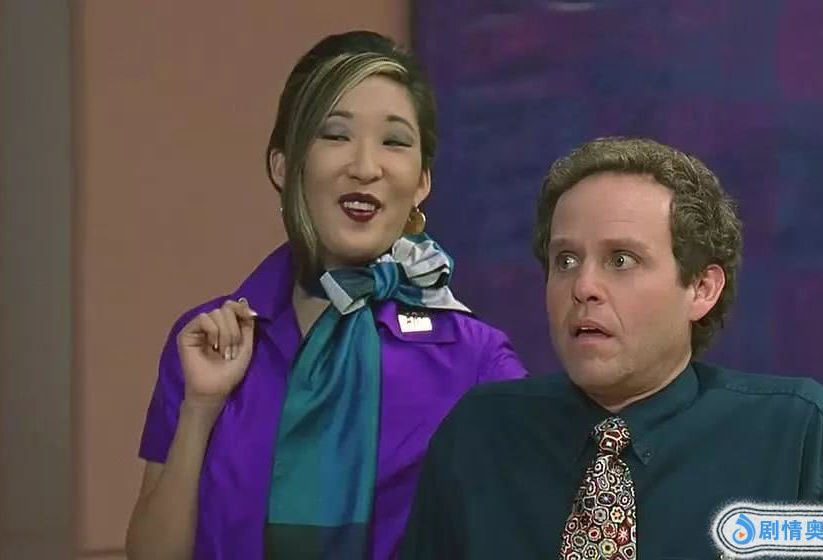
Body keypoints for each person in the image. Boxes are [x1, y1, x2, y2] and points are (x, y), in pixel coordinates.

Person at [124, 30, 528, 560]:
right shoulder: (208, 342)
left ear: (422, 181)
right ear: (283, 165)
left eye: (395, 142)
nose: (365, 166)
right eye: (335, 135)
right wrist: (200, 408)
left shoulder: (475, 361)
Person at [400, 137, 823, 559]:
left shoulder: (803, 440)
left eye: (621, 260)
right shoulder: (480, 436)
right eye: (566, 260)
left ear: (702, 289)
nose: (583, 287)